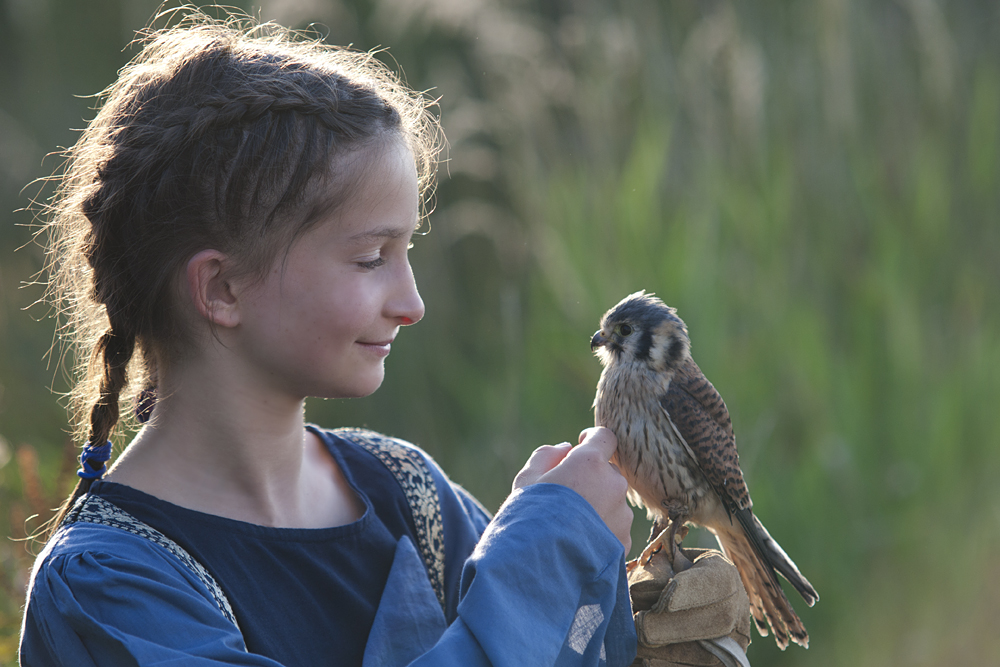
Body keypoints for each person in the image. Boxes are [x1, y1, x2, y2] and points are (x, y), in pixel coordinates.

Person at [18, 8, 638, 666]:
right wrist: (545, 556)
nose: (412, 303)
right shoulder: (107, 585)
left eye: (407, 252)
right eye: (372, 257)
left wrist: (606, 591)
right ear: (222, 288)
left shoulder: (409, 495)